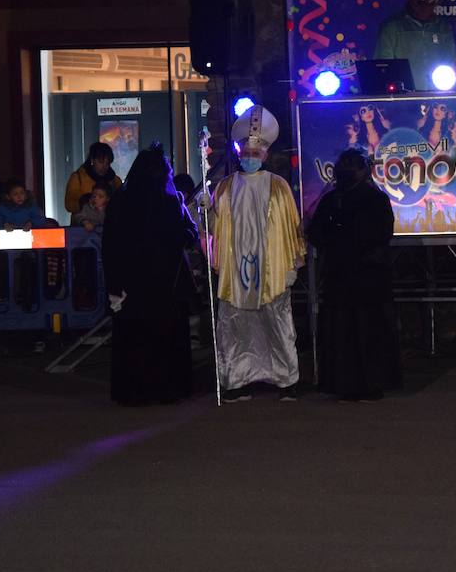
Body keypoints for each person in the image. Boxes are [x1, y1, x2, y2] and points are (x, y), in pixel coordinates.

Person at [209, 105, 308, 402]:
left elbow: (291, 226)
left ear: (264, 155)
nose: (250, 158)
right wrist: (206, 210)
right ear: (240, 154)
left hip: (271, 266)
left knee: (276, 323)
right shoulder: (225, 187)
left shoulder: (278, 187)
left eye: (256, 154)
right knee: (236, 326)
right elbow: (215, 226)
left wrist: (292, 261)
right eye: (246, 154)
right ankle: (238, 380)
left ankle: (286, 380)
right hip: (236, 266)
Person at [101, 144, 199, 406]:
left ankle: (132, 390)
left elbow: (110, 245)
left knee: (133, 336)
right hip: (164, 284)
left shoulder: (121, 200)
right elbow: (184, 236)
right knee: (163, 336)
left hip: (131, 283)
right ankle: (166, 387)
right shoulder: (167, 201)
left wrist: (114, 282)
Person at [308, 149, 401, 401]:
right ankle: (363, 383)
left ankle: (351, 384)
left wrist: (336, 243)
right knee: (359, 330)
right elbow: (317, 232)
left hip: (353, 275)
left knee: (351, 330)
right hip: (358, 276)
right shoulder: (364, 198)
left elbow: (316, 233)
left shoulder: (348, 199)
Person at [373, 0, 456, 90]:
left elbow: (450, 63)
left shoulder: (443, 28)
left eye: (433, 0)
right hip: (402, 101)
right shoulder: (392, 28)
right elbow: (382, 68)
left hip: (436, 99)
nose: (428, 5)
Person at [64, 142, 123, 216]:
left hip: (109, 224)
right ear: (92, 159)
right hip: (83, 225)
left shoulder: (115, 181)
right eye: (101, 162)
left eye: (107, 163)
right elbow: (69, 205)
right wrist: (84, 202)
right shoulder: (78, 178)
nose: (104, 166)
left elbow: (122, 204)